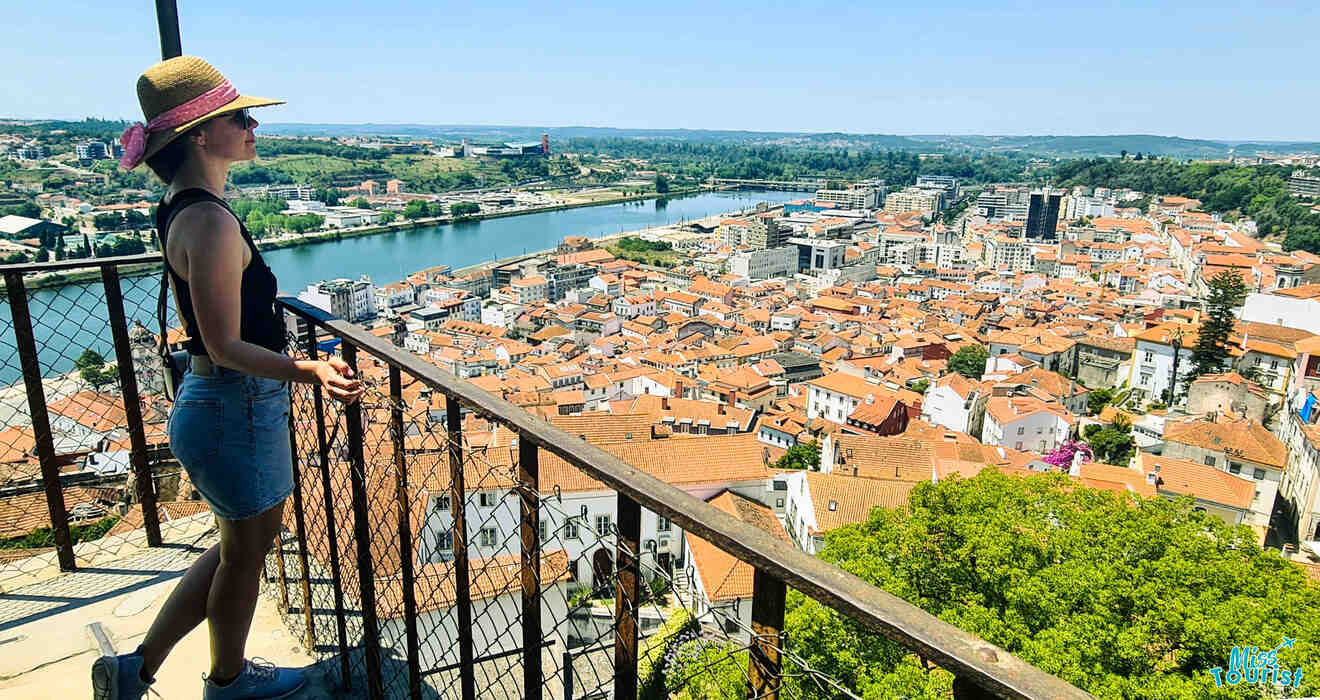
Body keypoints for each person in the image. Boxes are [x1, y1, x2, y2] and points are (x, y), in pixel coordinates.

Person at [91, 56, 364, 700]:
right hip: (234, 403)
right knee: (244, 554)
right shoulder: (209, 221)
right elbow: (224, 342)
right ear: (200, 136)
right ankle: (228, 680)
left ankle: (138, 668)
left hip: (223, 404)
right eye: (239, 117)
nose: (251, 128)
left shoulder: (187, 207)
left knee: (237, 546)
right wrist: (311, 366)